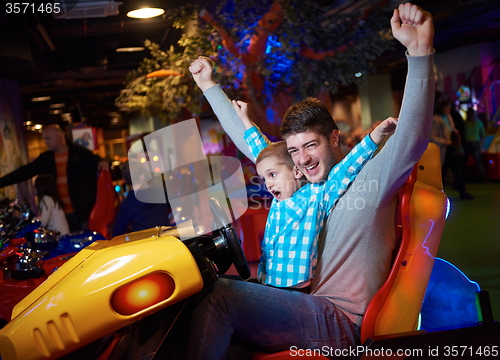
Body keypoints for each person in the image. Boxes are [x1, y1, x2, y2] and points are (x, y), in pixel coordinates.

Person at [185, 3, 435, 359]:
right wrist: (209, 86)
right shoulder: (302, 185)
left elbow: (411, 137)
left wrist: (420, 52)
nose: (301, 159)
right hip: (299, 304)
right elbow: (256, 149)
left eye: (311, 145)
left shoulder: (369, 177)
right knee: (200, 292)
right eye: (294, 150)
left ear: (334, 139)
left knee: (222, 298)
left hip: (339, 320)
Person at [228, 98, 395, 289]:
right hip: (268, 279)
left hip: (293, 288)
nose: (268, 184)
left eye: (273, 175)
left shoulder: (316, 193)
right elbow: (262, 152)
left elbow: (347, 168)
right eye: (265, 178)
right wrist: (245, 119)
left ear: (296, 172)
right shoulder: (281, 196)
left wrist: (376, 136)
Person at [0, 124, 109, 232]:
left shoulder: (80, 154)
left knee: (88, 244)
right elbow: (24, 172)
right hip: (59, 213)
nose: (45, 142)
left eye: (48, 138)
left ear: (59, 136)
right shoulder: (46, 159)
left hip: (83, 213)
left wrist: (102, 162)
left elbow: (97, 161)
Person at [112, 160, 174, 237]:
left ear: (124, 179)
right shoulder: (160, 192)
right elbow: (179, 204)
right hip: (167, 242)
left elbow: (117, 233)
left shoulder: (128, 204)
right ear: (143, 175)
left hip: (145, 246)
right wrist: (170, 221)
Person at [431, 100, 473, 199]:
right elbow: (432, 136)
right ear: (442, 108)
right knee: (442, 172)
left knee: (456, 169)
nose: (449, 108)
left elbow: (451, 128)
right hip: (444, 149)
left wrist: (455, 132)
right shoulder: (436, 119)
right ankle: (436, 192)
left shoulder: (448, 117)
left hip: (451, 148)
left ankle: (461, 190)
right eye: (447, 106)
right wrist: (445, 141)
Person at [464, 106, 487, 182]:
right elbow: (483, 135)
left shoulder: (465, 123)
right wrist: (481, 144)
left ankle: (463, 178)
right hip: (475, 142)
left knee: (464, 161)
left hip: (467, 143)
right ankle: (483, 177)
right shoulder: (479, 123)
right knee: (478, 161)